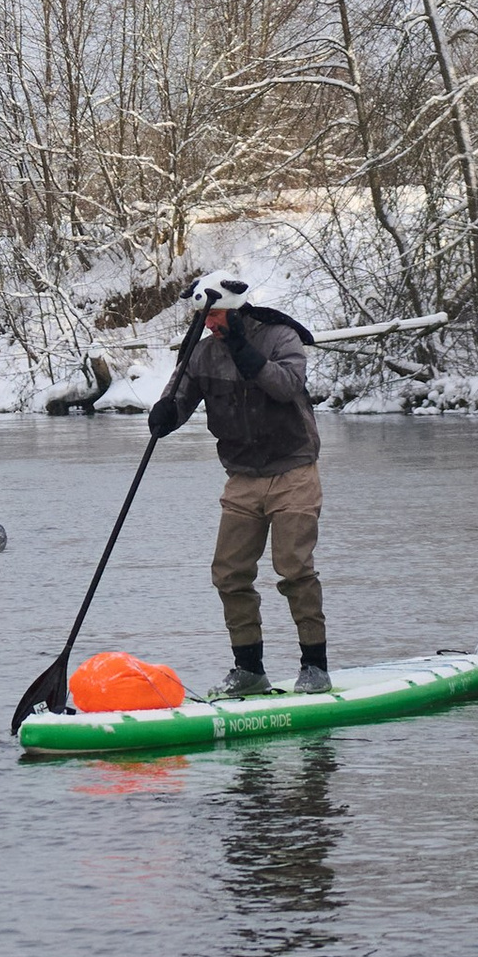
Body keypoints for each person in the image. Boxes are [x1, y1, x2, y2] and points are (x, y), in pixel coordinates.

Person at [148, 270, 329, 699]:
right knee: (229, 574)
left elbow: (286, 387)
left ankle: (315, 667)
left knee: (294, 569)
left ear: (232, 309)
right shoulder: (201, 353)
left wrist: (243, 350)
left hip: (293, 471)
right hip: (242, 477)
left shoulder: (281, 337)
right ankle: (249, 669)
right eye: (204, 319)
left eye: (214, 317)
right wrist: (164, 416)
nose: (209, 325)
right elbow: (181, 397)